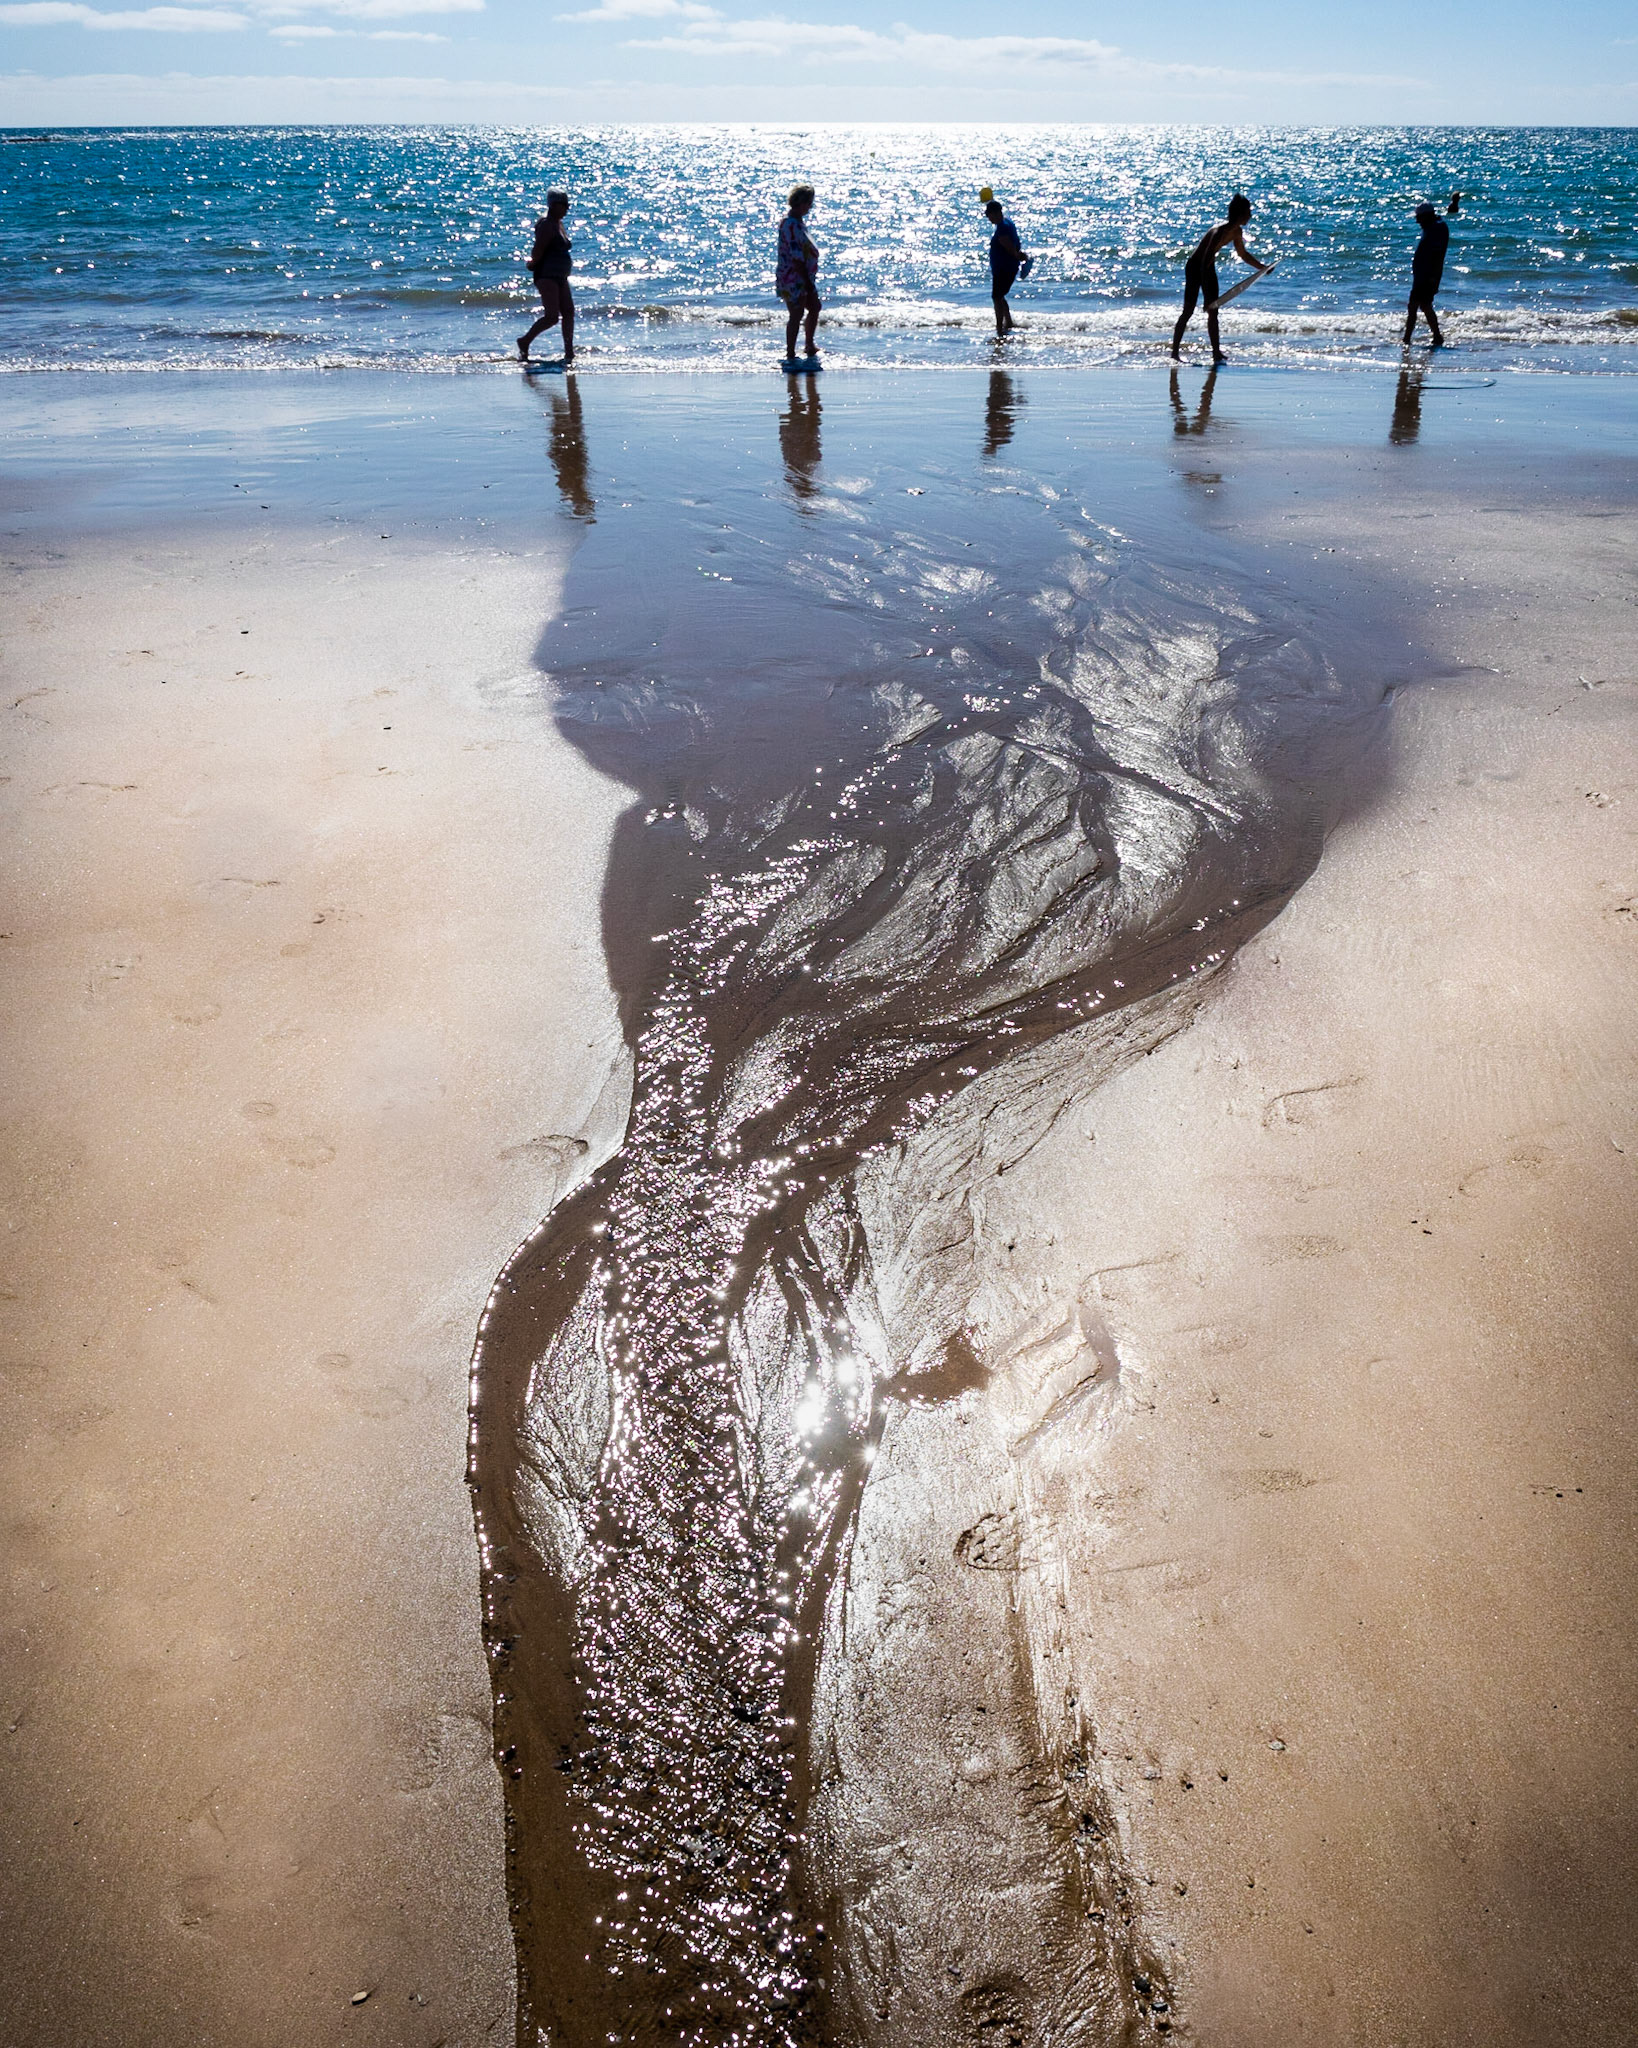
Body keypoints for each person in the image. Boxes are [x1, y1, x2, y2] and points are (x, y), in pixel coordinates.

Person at [1170, 194, 1269, 366]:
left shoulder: (1237, 231)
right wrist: (1206, 291)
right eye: (1248, 212)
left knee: (1213, 311)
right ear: (1240, 213)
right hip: (1195, 267)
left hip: (1208, 266)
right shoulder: (1219, 231)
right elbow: (1205, 257)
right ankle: (1174, 353)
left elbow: (1243, 254)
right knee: (1188, 311)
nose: (1250, 215)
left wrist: (1261, 267)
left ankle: (1216, 352)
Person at [518, 191, 574, 364]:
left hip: (560, 275)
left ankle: (569, 352)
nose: (567, 209)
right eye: (564, 205)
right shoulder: (546, 225)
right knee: (552, 316)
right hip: (547, 275)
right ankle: (525, 341)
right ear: (553, 205)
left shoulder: (558, 223)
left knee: (568, 312)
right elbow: (538, 249)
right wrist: (532, 264)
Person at [777, 186, 821, 365]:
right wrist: (807, 282)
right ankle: (790, 353)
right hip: (794, 277)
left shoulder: (797, 222)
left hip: (801, 276)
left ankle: (809, 345)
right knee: (796, 313)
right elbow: (796, 257)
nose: (810, 207)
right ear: (801, 203)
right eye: (809, 203)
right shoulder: (791, 225)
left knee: (814, 307)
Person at [983, 196, 1032, 338]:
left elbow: (1009, 246)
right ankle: (1008, 323)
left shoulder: (1003, 228)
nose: (989, 218)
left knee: (997, 297)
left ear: (996, 213)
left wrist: (1017, 255)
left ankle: (999, 327)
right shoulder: (1007, 223)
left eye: (989, 215)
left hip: (1004, 269)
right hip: (1005, 268)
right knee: (999, 296)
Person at [1404, 202, 1450, 348]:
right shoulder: (1435, 226)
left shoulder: (1435, 230)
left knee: (1413, 306)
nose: (1417, 221)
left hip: (1427, 275)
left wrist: (1432, 277)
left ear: (1427, 216)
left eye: (1419, 217)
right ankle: (1437, 336)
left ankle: (1407, 339)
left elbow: (1435, 256)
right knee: (1425, 305)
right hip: (1424, 275)